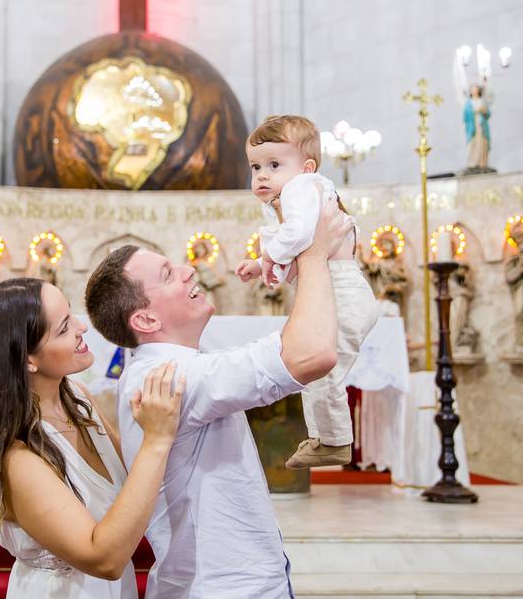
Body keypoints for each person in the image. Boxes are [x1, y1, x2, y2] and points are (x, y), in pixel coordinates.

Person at [84, 196, 351, 597]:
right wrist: (314, 251)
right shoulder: (169, 377)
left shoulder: (175, 364)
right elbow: (313, 352)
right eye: (169, 274)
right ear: (146, 319)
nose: (189, 269)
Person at [0, 278, 185, 598]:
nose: (82, 327)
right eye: (64, 327)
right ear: (27, 358)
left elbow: (137, 479)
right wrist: (156, 440)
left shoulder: (78, 399)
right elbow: (103, 558)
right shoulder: (17, 456)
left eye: (72, 314)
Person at [234, 115, 377, 469]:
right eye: (255, 167)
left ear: (307, 166)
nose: (262, 175)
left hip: (342, 293)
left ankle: (335, 443)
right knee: (316, 367)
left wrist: (266, 258)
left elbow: (298, 237)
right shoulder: (294, 195)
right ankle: (326, 438)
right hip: (335, 292)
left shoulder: (302, 188)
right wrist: (262, 263)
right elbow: (302, 246)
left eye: (274, 165)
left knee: (321, 368)